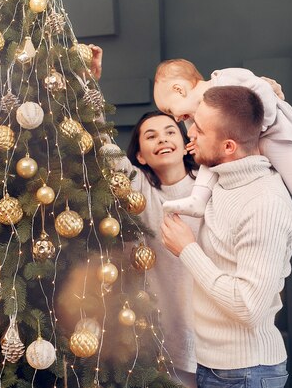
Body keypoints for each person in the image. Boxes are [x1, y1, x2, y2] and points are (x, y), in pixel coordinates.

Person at [161, 85, 292, 388]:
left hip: (246, 372)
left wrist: (188, 250)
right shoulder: (220, 178)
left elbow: (249, 308)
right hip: (212, 366)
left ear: (229, 147)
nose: (189, 133)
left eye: (200, 129)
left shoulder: (264, 204)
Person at [154, 59, 292, 275]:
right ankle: (198, 199)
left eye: (170, 109)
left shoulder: (225, 79)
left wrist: (254, 125)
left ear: (180, 89)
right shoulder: (194, 115)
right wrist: (197, 142)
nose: (175, 117)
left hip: (277, 133)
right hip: (243, 143)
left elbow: (263, 90)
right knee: (209, 158)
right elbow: (201, 142)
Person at [101, 111, 200, 388]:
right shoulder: (140, 191)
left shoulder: (210, 185)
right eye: (151, 136)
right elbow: (105, 146)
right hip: (166, 344)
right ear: (141, 156)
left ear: (185, 143)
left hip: (219, 344)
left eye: (170, 132)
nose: (162, 139)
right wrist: (86, 81)